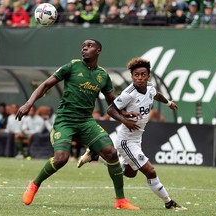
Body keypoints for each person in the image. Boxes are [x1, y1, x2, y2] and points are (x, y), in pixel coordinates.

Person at [15, 39, 140, 210]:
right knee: (61, 159)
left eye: (89, 46)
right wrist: (29, 103)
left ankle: (121, 201)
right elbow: (45, 85)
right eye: (83, 46)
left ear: (98, 51)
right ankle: (34, 184)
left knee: (111, 153)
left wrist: (124, 113)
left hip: (86, 121)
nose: (84, 48)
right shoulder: (72, 66)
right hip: (65, 121)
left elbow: (112, 101)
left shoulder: (103, 75)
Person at [78, 58, 187, 211]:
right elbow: (110, 109)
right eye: (136, 75)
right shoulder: (129, 93)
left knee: (130, 173)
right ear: (132, 76)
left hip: (137, 138)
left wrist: (168, 102)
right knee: (150, 171)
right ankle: (169, 202)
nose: (140, 78)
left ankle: (98, 156)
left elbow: (156, 94)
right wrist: (125, 120)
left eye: (143, 74)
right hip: (126, 140)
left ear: (148, 76)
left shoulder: (149, 87)